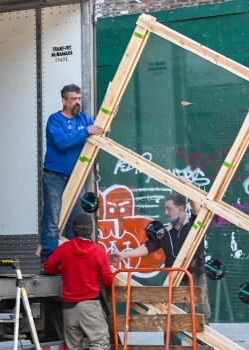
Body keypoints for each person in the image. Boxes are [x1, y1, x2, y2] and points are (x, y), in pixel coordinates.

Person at [109, 178, 210, 344]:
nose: (166, 212)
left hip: (195, 279)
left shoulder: (194, 224)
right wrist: (124, 255)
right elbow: (148, 247)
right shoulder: (165, 230)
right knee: (171, 320)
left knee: (200, 319)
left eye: (169, 209)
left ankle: (204, 347)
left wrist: (189, 186)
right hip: (175, 280)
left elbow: (197, 207)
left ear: (180, 209)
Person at [40, 84, 103, 262]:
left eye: (79, 99)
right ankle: (48, 261)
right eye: (74, 99)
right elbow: (61, 142)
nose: (77, 102)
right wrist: (85, 131)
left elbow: (104, 133)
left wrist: (110, 117)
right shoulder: (55, 120)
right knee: (52, 219)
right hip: (54, 177)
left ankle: (73, 262)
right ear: (64, 101)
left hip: (76, 177)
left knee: (75, 221)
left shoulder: (84, 119)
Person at [44, 214, 114, 350]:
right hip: (89, 306)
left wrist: (61, 270)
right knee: (99, 343)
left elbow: (48, 267)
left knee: (73, 346)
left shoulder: (64, 249)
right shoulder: (98, 252)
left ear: (74, 229)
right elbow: (108, 280)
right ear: (91, 230)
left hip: (69, 307)